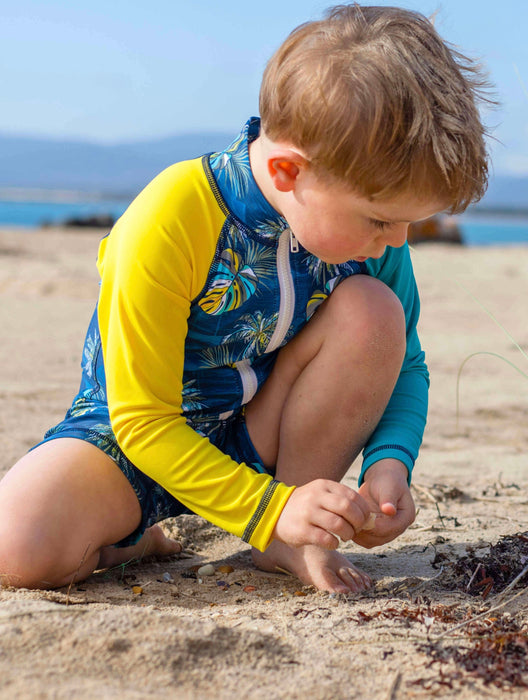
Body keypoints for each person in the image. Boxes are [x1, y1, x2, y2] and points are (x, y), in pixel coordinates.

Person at [0, 4, 489, 594]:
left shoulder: (371, 235)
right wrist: (266, 505)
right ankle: (136, 536)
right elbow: (142, 420)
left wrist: (389, 461)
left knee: (373, 310)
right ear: (288, 171)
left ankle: (291, 541)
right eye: (382, 219)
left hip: (264, 428)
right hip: (136, 440)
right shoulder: (172, 217)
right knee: (17, 550)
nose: (397, 239)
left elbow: (404, 360)